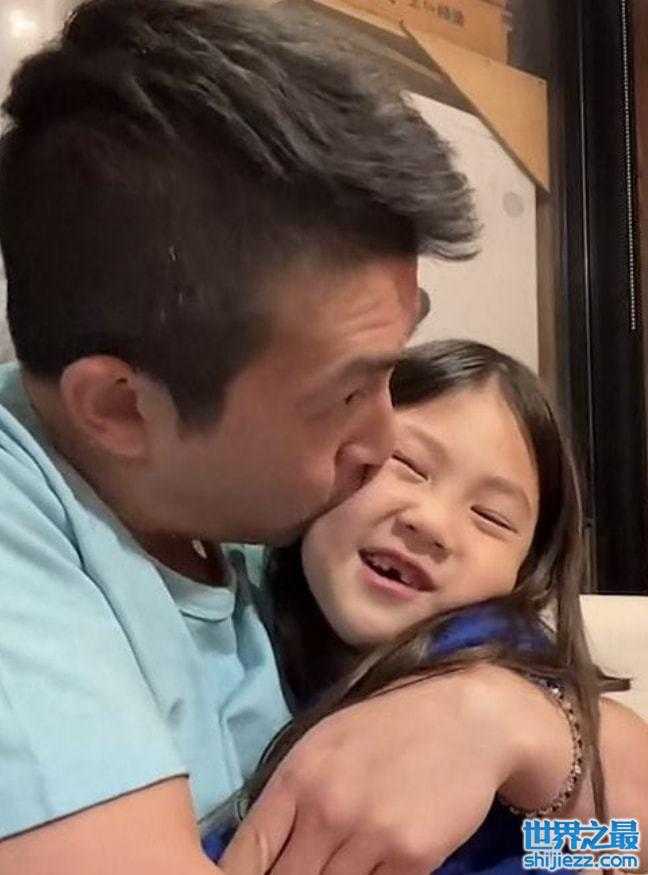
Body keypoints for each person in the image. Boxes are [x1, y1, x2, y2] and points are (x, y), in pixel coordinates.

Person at [0, 1, 641, 873]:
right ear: (121, 409)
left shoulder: (267, 538)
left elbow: (624, 838)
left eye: (493, 518)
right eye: (347, 393)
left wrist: (506, 728)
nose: (379, 444)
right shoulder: (39, 537)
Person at [216, 341, 648, 874]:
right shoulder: (231, 585)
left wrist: (555, 837)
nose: (431, 523)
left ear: (523, 575)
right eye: (405, 464)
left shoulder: (495, 655)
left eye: (491, 517)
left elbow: (619, 842)